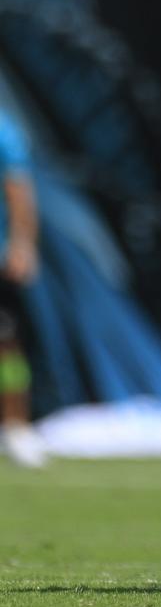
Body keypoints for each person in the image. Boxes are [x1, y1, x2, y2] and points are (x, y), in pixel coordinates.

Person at [0, 109, 45, 468]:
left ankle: (15, 426)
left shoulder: (3, 126)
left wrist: (22, 244)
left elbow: (18, 186)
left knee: (7, 346)